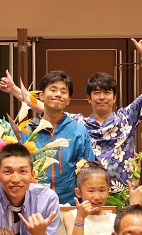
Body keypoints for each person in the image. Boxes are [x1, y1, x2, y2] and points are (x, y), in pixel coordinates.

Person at [0, 37, 142, 192]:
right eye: (96, 93)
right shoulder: (80, 124)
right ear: (88, 98)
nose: (102, 97)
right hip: (89, 193)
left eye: (107, 93)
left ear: (114, 97)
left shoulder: (126, 118)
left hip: (122, 194)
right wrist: (14, 89)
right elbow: (46, 105)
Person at [19, 70, 96, 205]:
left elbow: (88, 172)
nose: (58, 94)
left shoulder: (79, 131)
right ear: (41, 95)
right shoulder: (26, 130)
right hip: (33, 203)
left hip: (71, 204)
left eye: (63, 91)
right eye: (53, 90)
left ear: (68, 100)